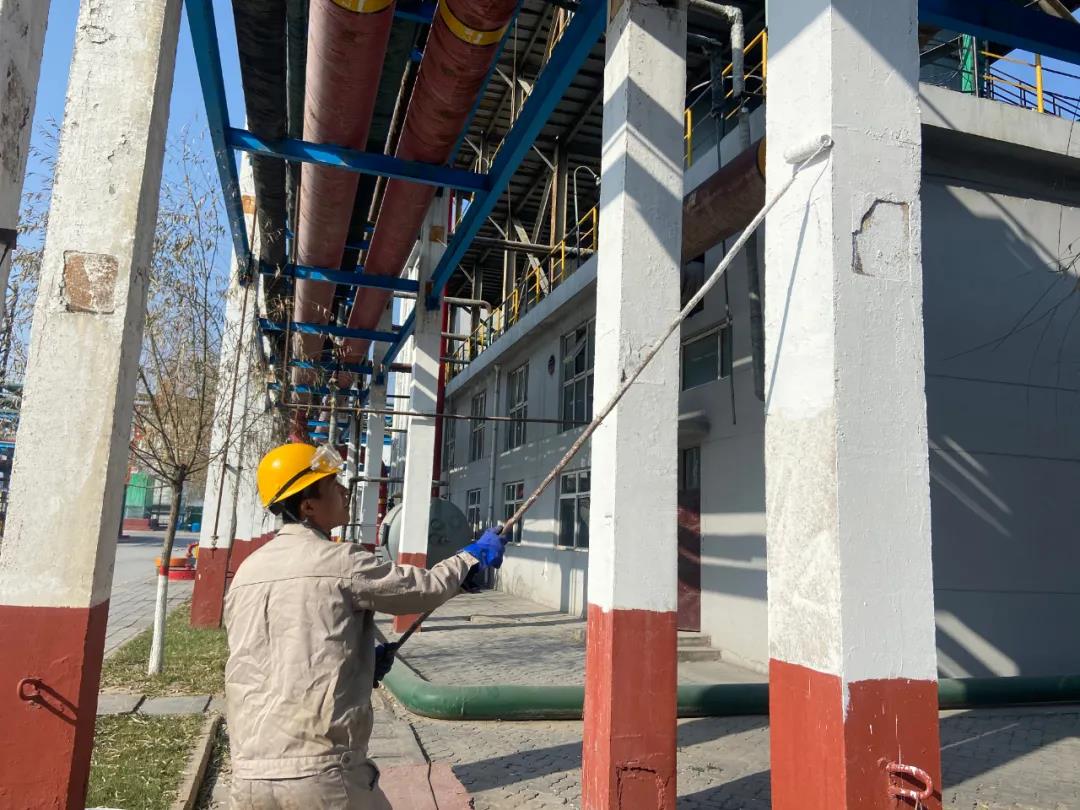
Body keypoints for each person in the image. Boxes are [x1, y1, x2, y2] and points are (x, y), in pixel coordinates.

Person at [225, 442, 507, 809]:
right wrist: (469, 558)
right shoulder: (339, 560)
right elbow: (422, 589)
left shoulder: (247, 572)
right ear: (307, 506)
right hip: (320, 775)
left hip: (248, 776)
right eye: (332, 485)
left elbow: (273, 655)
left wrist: (360, 665)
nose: (344, 491)